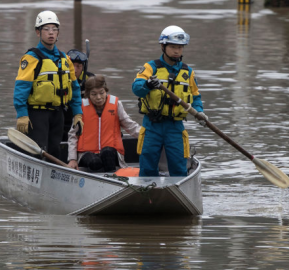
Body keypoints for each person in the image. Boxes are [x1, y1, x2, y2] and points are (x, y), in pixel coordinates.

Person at [132, 25, 207, 177]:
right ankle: (148, 196)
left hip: (175, 126)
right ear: (163, 46)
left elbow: (195, 96)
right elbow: (136, 88)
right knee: (147, 166)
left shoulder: (188, 72)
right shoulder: (150, 68)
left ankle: (177, 194)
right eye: (173, 47)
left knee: (179, 167)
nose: (177, 51)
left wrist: (199, 112)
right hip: (152, 125)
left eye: (180, 47)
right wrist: (147, 85)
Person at [14, 10, 83, 159]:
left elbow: (74, 88)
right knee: (37, 152)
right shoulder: (31, 58)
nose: (51, 33)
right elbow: (21, 88)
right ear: (38, 32)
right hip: (37, 114)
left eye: (54, 29)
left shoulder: (65, 59)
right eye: (46, 29)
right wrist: (22, 114)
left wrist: (77, 113)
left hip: (58, 114)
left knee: (54, 151)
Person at [67, 75, 141, 172]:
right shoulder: (80, 108)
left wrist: (147, 136)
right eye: (94, 94)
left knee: (107, 153)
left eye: (101, 93)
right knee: (94, 162)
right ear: (88, 94)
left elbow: (130, 126)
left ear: (106, 90)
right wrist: (72, 159)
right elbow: (73, 135)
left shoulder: (116, 105)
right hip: (86, 154)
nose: (98, 97)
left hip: (111, 153)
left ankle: (113, 180)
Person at [62, 48, 95, 141]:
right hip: (62, 120)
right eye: (72, 66)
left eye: (79, 66)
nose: (75, 70)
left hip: (83, 121)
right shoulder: (59, 76)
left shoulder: (90, 78)